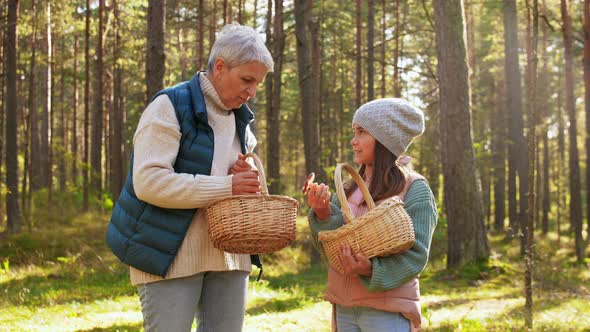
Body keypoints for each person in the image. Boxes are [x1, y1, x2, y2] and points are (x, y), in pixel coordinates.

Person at [105, 23, 273, 331]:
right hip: (169, 255)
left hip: (231, 258)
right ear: (220, 67)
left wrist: (242, 180)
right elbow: (150, 182)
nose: (251, 92)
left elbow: (230, 187)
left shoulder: (242, 121)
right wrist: (227, 185)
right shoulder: (169, 107)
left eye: (258, 83)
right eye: (247, 79)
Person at [307, 98, 438, 331]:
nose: (353, 141)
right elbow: (331, 248)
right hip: (345, 309)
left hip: (386, 312)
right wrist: (323, 212)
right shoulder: (348, 188)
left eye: (361, 132)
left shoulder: (414, 189)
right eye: (353, 131)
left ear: (385, 139)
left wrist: (370, 269)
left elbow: (416, 255)